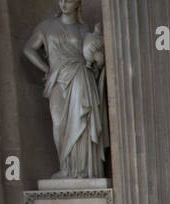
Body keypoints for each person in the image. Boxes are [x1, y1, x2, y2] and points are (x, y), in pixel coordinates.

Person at [24, 0, 108, 180]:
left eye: (68, 0)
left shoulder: (84, 29)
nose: (63, 4)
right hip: (57, 80)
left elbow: (95, 59)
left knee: (81, 121)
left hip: (80, 78)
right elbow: (29, 49)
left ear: (77, 3)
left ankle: (82, 170)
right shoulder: (46, 27)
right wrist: (47, 69)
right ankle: (66, 167)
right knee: (59, 124)